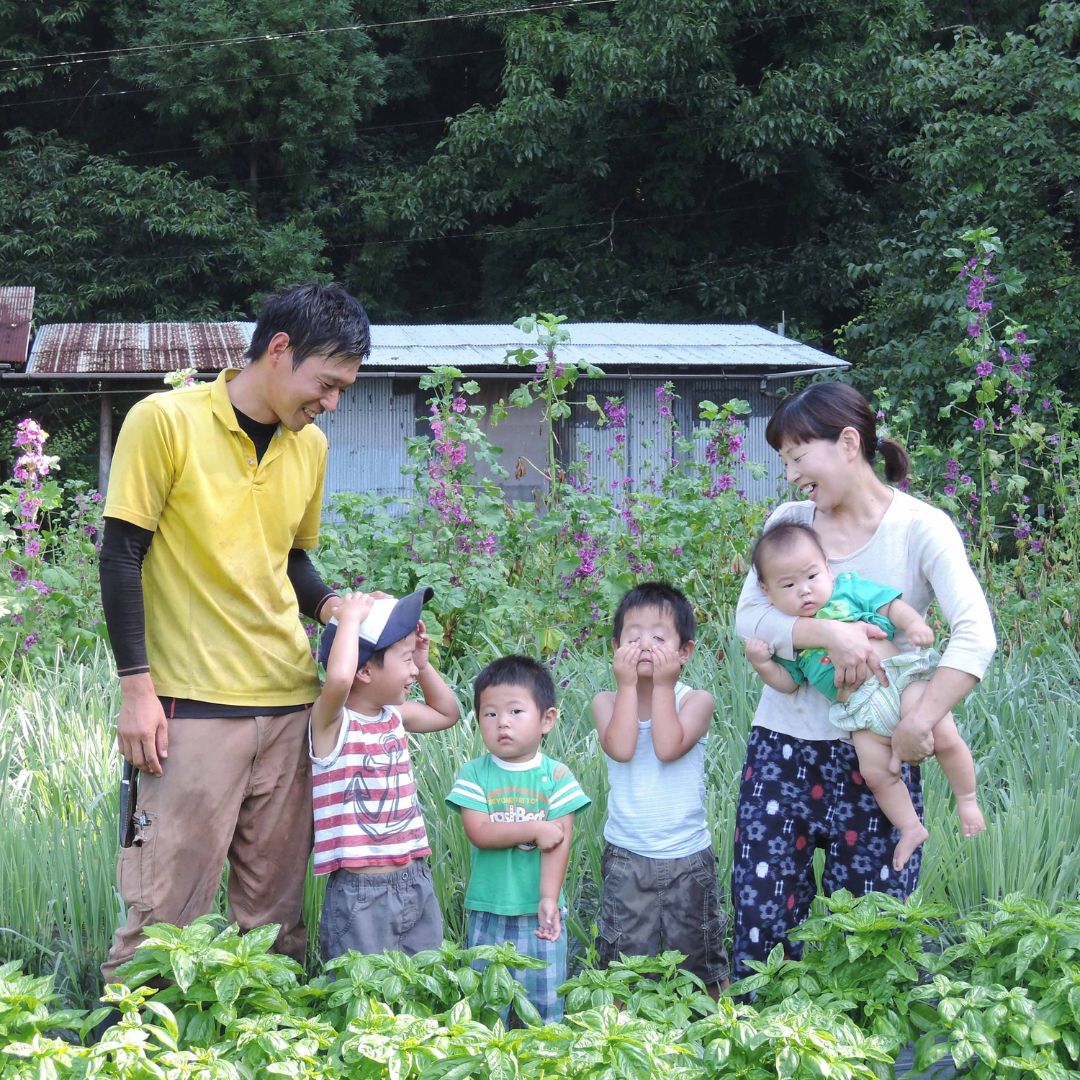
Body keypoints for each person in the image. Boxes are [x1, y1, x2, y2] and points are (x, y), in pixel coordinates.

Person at [98, 283, 371, 983]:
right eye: (328, 382)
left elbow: (289, 556)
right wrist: (137, 690)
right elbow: (121, 551)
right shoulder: (165, 421)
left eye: (344, 388)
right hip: (188, 712)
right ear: (279, 350)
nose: (332, 402)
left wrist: (334, 606)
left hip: (288, 708)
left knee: (277, 928)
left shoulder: (308, 447)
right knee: (161, 922)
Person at [732, 381, 996, 980]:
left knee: (875, 940)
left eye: (799, 457)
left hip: (880, 754)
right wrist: (833, 636)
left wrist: (918, 722)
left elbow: (976, 634)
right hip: (784, 751)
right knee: (763, 924)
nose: (793, 475)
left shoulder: (921, 528)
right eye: (785, 462)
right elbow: (748, 616)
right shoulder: (791, 522)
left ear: (848, 442)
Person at [745, 522, 985, 872]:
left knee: (944, 734)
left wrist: (915, 624)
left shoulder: (848, 591)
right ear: (767, 592)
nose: (804, 591)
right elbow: (789, 683)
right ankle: (910, 827)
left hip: (898, 681)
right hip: (860, 713)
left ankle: (967, 798)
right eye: (789, 585)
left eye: (812, 576)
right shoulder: (792, 634)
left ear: (827, 568)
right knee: (875, 773)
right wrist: (763, 664)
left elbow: (890, 606)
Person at [591, 582, 730, 994]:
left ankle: (723, 1038)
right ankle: (620, 1045)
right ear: (617, 648)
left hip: (688, 856)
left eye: (658, 637)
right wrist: (628, 687)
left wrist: (665, 686)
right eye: (633, 637)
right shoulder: (606, 701)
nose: (645, 645)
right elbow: (622, 747)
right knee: (623, 965)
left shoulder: (696, 700)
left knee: (702, 957)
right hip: (626, 858)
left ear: (684, 651)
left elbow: (668, 747)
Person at [311, 586, 460, 960]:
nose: (413, 669)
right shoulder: (332, 723)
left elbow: (447, 713)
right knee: (364, 999)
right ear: (364, 669)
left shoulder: (395, 715)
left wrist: (423, 664)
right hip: (361, 893)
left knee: (420, 992)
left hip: (415, 879)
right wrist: (349, 618)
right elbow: (340, 681)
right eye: (406, 659)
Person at [446, 656, 591, 1024]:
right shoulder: (475, 773)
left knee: (541, 1005)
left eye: (515, 711)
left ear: (547, 720)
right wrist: (532, 828)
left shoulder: (556, 775)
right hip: (488, 908)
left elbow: (559, 843)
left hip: (538, 913)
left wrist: (548, 898)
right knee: (486, 1003)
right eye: (489, 714)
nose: (502, 723)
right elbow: (479, 832)